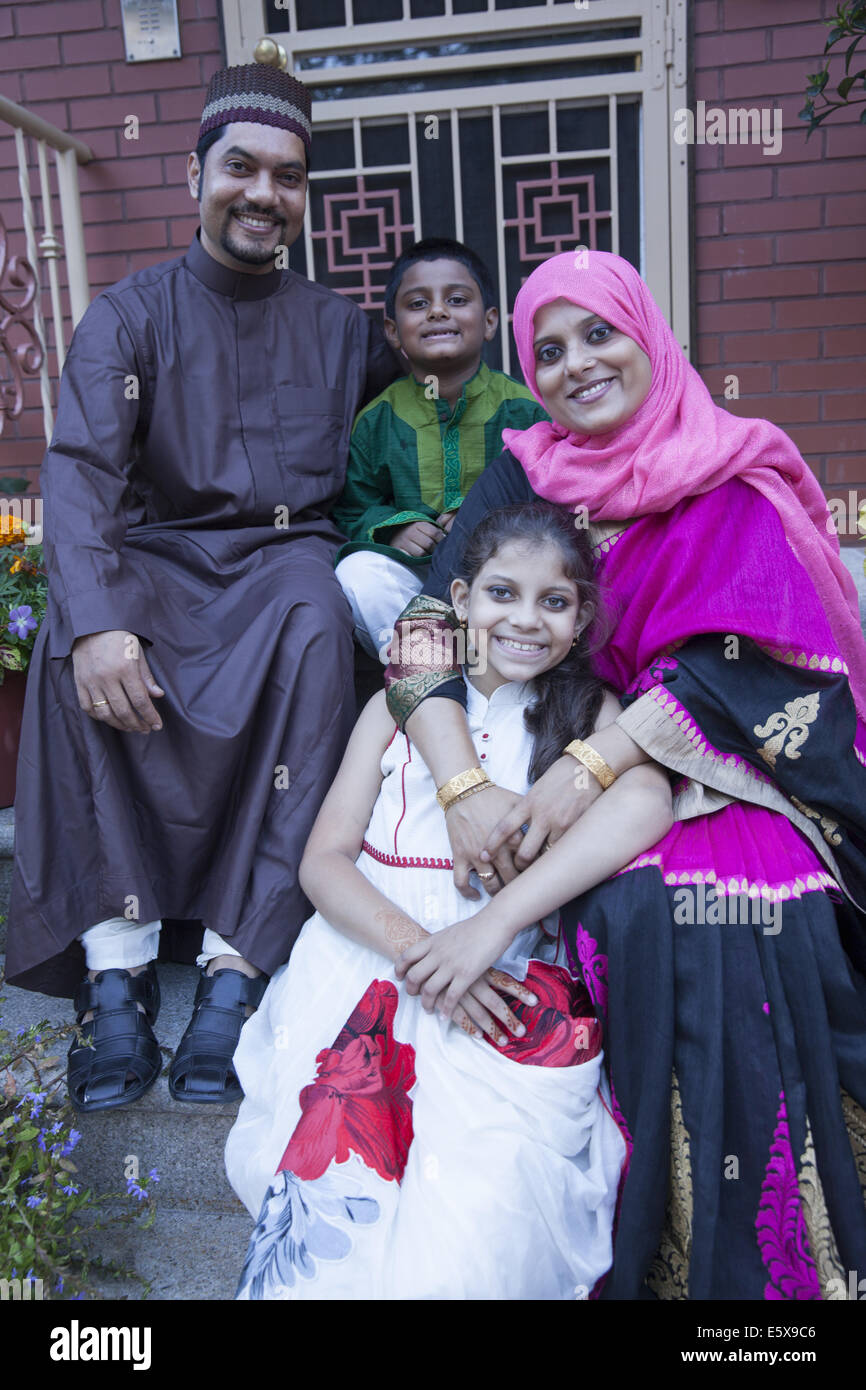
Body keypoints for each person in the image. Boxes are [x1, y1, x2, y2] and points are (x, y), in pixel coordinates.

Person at [381, 249, 866, 1300]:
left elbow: (741, 662)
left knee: (726, 919)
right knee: (625, 908)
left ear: (647, 335)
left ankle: (763, 1271)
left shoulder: (731, 466)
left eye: (597, 334)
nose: (574, 365)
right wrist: (464, 787)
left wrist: (590, 768)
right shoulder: (524, 469)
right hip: (560, 738)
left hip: (732, 761)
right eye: (545, 350)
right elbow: (425, 617)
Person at [4, 62, 398, 1113]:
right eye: (240, 168)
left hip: (281, 571)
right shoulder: (125, 318)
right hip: (157, 559)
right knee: (71, 637)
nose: (262, 194)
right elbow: (81, 473)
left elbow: (436, 417)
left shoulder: (345, 330)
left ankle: (235, 968)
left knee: (318, 615)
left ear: (304, 194)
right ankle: (116, 968)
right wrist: (97, 624)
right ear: (195, 175)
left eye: (287, 176)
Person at [225, 503, 673, 1300]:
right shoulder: (397, 710)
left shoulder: (584, 721)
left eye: (555, 602)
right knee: (343, 1220)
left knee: (476, 1223)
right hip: (366, 970)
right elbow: (324, 863)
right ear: (459, 601)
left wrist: (483, 936)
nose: (526, 620)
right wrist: (422, 954)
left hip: (502, 988)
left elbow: (649, 804)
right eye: (502, 593)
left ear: (582, 620)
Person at [332, 237, 548, 659]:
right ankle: (423, 675)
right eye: (417, 304)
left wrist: (483, 522)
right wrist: (396, 526)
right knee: (358, 571)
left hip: (504, 577)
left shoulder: (524, 410)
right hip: (414, 583)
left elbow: (552, 499)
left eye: (456, 299)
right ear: (392, 331)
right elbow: (352, 509)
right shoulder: (377, 419)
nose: (437, 311)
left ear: (488, 322)